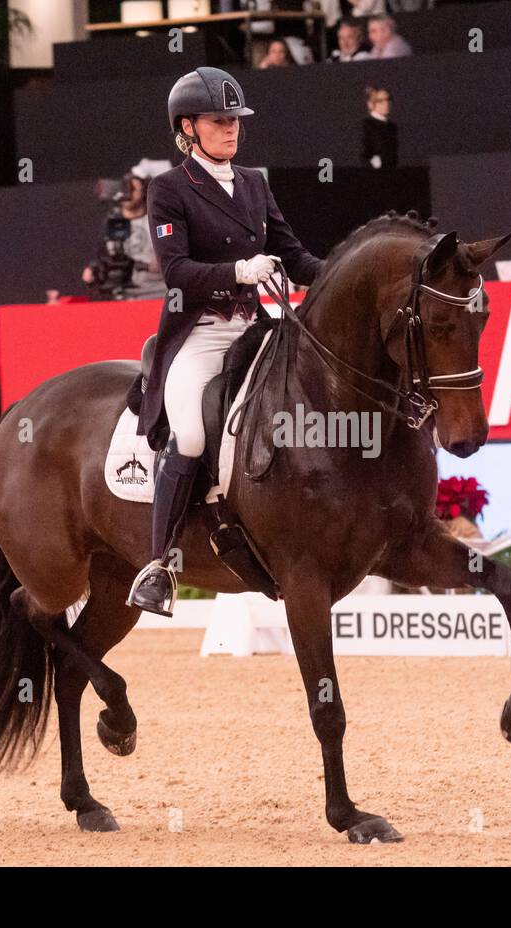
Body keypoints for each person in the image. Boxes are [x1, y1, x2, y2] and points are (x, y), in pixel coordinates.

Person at [127, 66, 325, 616]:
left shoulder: (255, 182)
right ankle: (159, 563)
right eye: (219, 121)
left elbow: (295, 255)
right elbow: (176, 271)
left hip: (256, 328)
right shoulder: (169, 190)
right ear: (188, 128)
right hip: (201, 332)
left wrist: (341, 273)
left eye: (235, 119)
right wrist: (239, 271)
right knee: (190, 433)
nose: (232, 129)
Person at [362, 87, 397, 169]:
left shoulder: (391, 126)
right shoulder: (365, 125)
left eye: (388, 100)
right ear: (370, 104)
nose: (386, 103)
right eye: (380, 101)